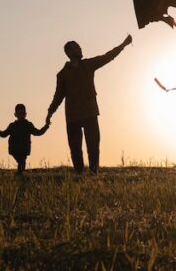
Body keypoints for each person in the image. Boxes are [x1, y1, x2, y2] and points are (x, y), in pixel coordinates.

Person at [46, 36, 132, 173]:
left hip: (90, 112)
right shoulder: (62, 75)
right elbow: (58, 96)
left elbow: (107, 57)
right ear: (69, 52)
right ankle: (79, 174)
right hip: (72, 116)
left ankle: (93, 172)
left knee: (93, 146)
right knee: (75, 148)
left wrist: (123, 45)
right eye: (76, 47)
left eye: (79, 46)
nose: (80, 48)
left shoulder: (88, 65)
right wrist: (50, 112)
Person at [0, 104, 50, 175]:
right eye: (19, 113)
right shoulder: (12, 126)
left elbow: (38, 132)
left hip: (24, 149)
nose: (21, 115)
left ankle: (19, 175)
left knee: (22, 162)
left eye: (22, 113)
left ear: (25, 114)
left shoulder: (28, 125)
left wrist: (46, 126)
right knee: (21, 162)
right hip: (14, 149)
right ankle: (19, 174)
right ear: (15, 114)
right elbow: (3, 134)